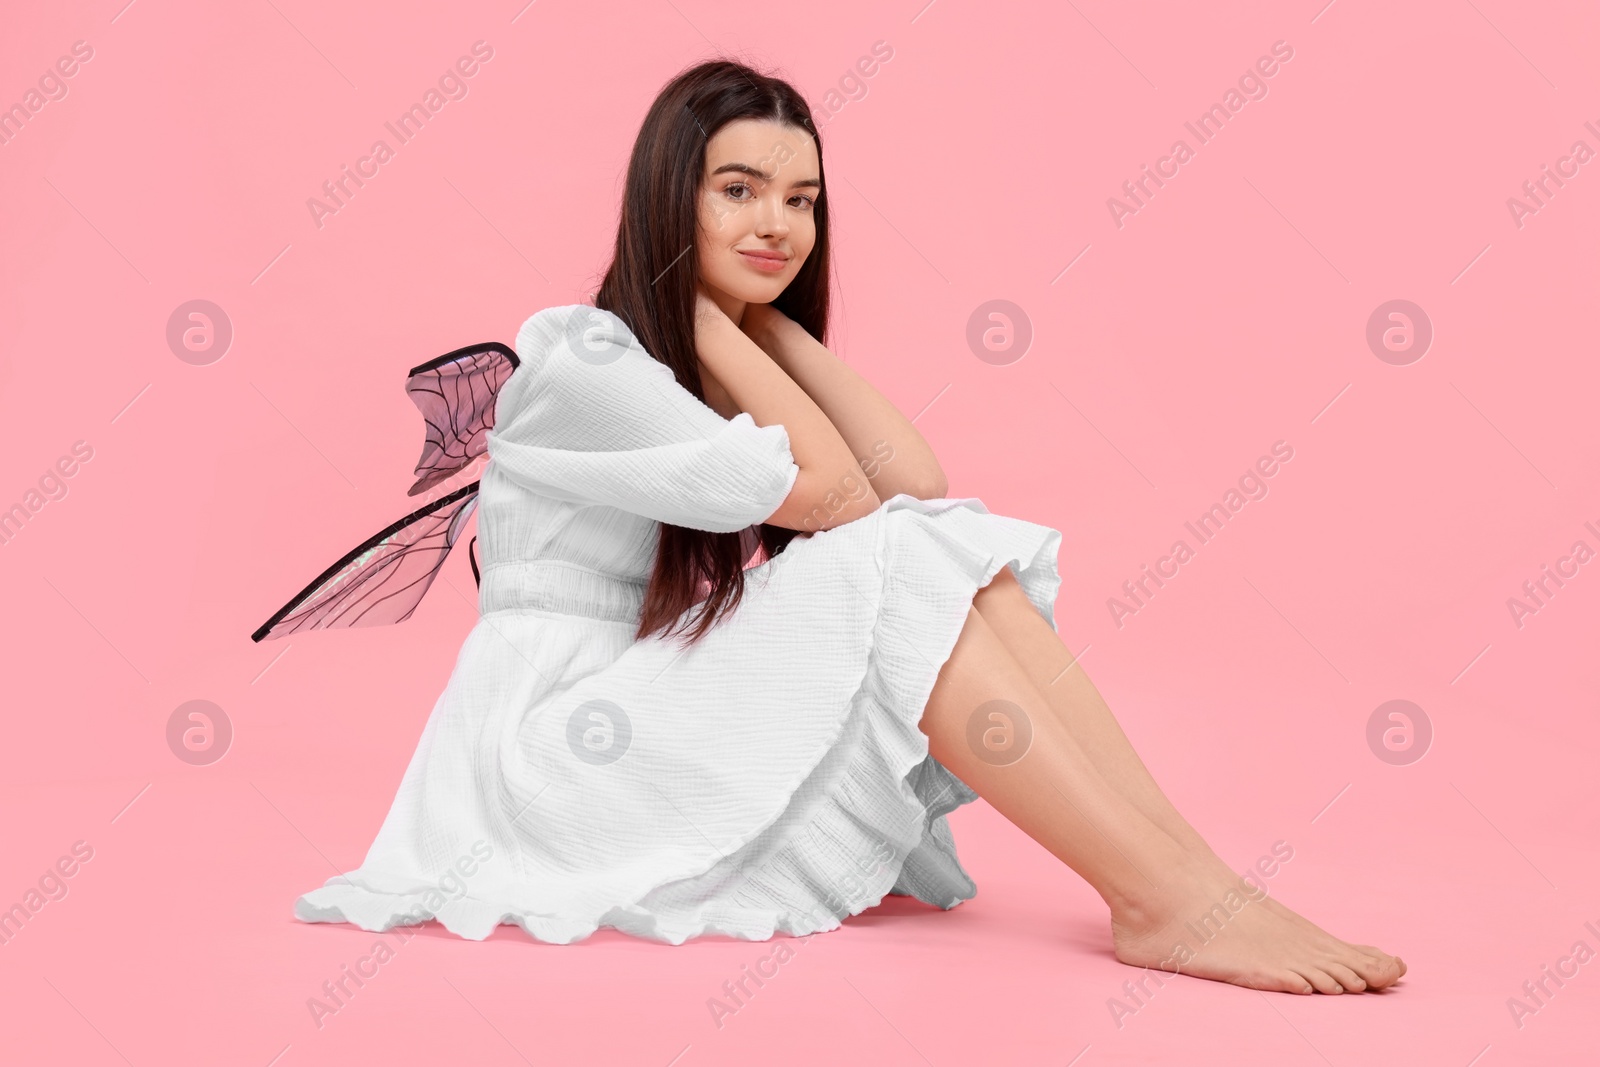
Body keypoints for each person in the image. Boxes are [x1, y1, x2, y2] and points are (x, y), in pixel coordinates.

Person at [294, 58, 1405, 997]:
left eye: (802, 199)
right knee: (895, 552)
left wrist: (757, 319)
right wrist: (694, 306)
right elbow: (836, 500)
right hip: (554, 756)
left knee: (943, 544)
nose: (777, 222)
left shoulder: (700, 356)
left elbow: (913, 484)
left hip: (638, 705)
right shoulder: (583, 355)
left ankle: (1190, 879)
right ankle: (1160, 895)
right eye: (737, 190)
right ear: (666, 198)